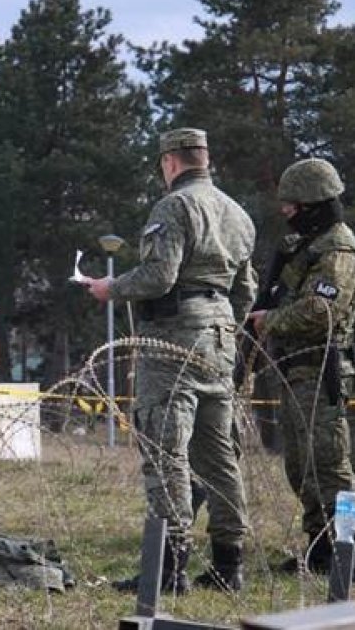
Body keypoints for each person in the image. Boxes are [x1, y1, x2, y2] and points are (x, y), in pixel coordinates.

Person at [83, 128, 257, 593]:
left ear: (170, 162)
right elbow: (247, 291)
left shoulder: (174, 207)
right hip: (220, 337)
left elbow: (161, 276)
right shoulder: (238, 214)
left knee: (165, 450)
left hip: (173, 339)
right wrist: (220, 326)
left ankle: (168, 566)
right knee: (218, 453)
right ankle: (229, 563)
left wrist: (109, 289)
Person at [248, 158, 355, 573]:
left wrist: (269, 320)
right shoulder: (301, 249)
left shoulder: (338, 250)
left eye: (293, 205)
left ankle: (345, 552)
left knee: (329, 465)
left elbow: (322, 309)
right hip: (294, 372)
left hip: (322, 371)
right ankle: (320, 549)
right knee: (300, 467)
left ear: (313, 204)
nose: (287, 212)